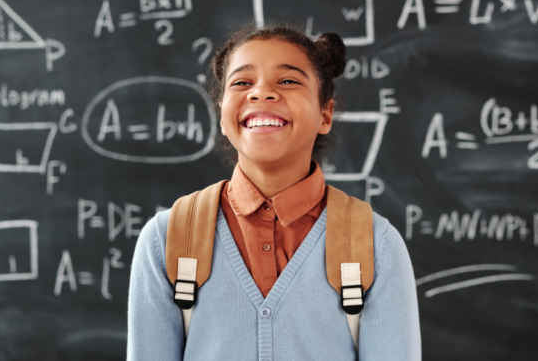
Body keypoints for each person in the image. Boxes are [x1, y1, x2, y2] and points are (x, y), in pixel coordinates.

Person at [127, 23, 421, 360]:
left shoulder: (374, 243)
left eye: (288, 81)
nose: (261, 93)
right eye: (242, 83)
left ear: (325, 114)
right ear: (222, 116)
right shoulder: (167, 239)